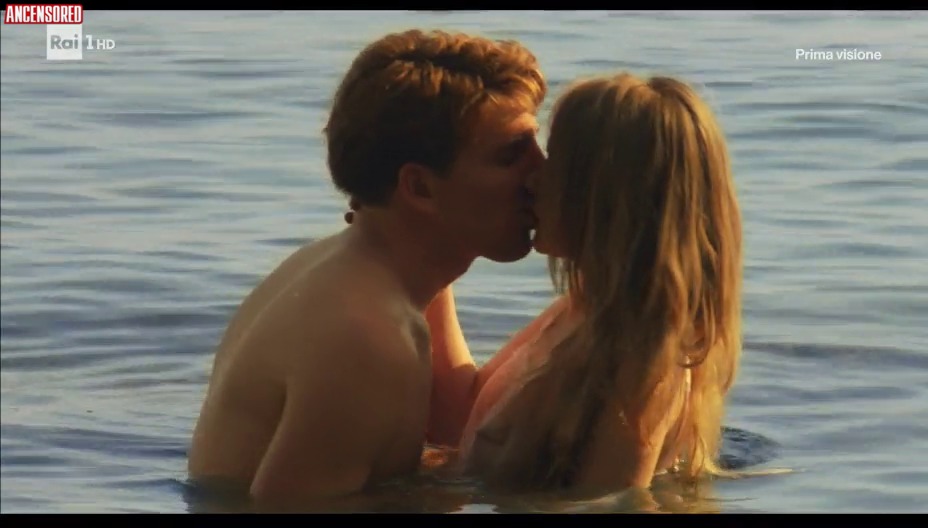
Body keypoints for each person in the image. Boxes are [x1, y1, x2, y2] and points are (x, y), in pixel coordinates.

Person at [187, 28, 547, 507]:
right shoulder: (369, 334)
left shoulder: (381, 270)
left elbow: (456, 422)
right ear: (420, 189)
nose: (542, 173)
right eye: (511, 156)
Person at [426, 72, 744, 498]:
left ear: (604, 194)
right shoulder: (586, 310)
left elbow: (609, 506)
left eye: (556, 161)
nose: (533, 180)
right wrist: (432, 258)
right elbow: (467, 418)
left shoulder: (643, 361)